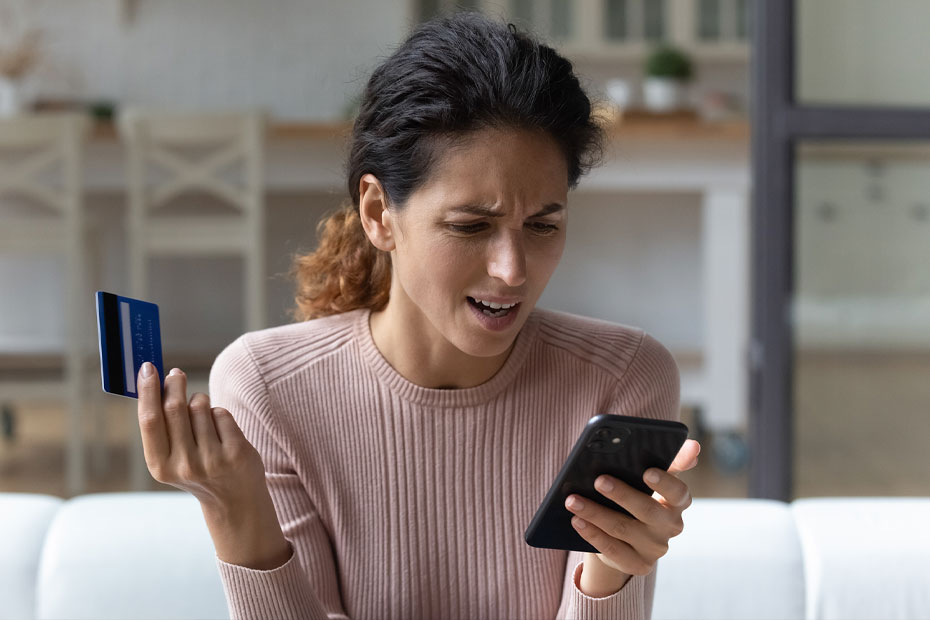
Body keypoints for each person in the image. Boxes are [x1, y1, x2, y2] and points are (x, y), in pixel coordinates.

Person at [135, 11, 700, 620]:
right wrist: (233, 512)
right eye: (471, 226)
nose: (513, 270)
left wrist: (609, 573)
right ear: (379, 213)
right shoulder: (268, 388)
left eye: (543, 225)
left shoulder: (622, 377)